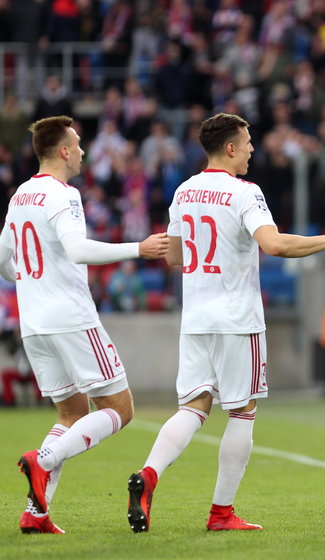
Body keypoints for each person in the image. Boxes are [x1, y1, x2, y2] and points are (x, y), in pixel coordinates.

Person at [126, 113, 325, 533]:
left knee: (193, 407)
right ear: (230, 147)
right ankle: (221, 514)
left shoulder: (184, 190)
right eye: (247, 142)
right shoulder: (243, 192)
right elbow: (274, 244)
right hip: (236, 318)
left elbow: (175, 258)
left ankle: (149, 475)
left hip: (195, 317)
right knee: (243, 411)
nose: (252, 148)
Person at [3, 116, 168, 534]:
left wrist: (28, 280)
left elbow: (4, 260)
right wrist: (139, 248)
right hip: (71, 318)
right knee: (120, 409)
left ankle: (36, 514)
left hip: (35, 322)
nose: (82, 152)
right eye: (77, 145)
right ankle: (43, 461)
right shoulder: (64, 194)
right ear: (62, 151)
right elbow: (76, 250)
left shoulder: (21, 194)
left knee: (72, 412)